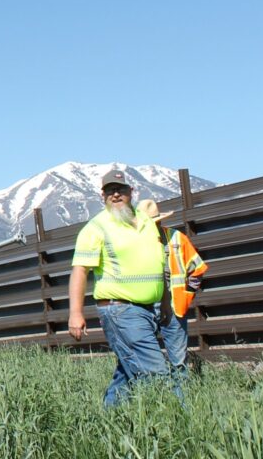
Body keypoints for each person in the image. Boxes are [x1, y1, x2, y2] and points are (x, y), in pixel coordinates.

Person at [68, 169, 172, 406]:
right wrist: (75, 313)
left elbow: (158, 265)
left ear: (131, 192)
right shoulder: (96, 228)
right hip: (120, 311)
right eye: (109, 191)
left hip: (148, 309)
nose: (115, 194)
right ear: (102, 196)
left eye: (120, 189)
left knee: (126, 375)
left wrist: (164, 302)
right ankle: (172, 420)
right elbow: (80, 271)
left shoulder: (146, 222)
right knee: (155, 373)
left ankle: (108, 424)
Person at [137, 198, 208, 374]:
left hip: (174, 307)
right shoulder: (133, 244)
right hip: (143, 309)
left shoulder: (177, 238)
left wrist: (187, 295)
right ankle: (154, 397)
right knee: (144, 360)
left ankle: (179, 399)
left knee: (178, 361)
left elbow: (197, 269)